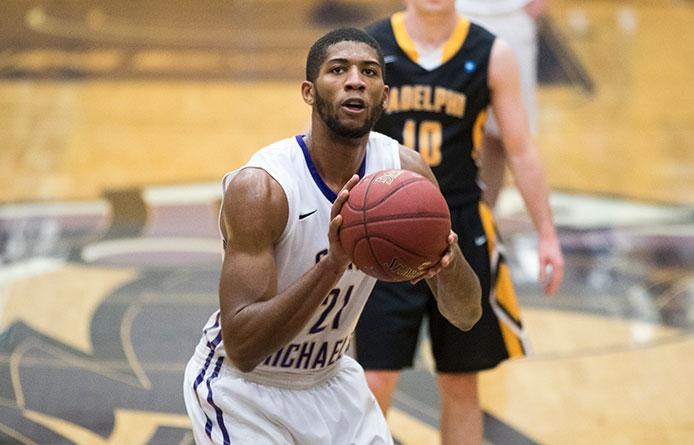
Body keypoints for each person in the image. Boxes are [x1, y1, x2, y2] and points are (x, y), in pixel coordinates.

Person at [182, 27, 482, 445]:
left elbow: (466, 315)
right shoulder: (263, 189)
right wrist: (334, 263)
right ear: (308, 92)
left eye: (369, 72)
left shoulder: (406, 176)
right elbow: (243, 348)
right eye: (338, 70)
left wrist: (447, 257)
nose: (355, 80)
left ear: (384, 96)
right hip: (244, 393)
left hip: (330, 379)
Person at [354, 1, 565, 444]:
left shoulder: (492, 52)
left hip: (461, 229)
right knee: (375, 378)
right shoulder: (371, 47)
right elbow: (339, 139)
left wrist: (546, 234)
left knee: (461, 381)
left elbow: (521, 148)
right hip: (383, 230)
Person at [456, 0, 550, 207]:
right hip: (456, 14)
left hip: (512, 16)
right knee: (452, 123)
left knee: (505, 135)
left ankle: (486, 216)